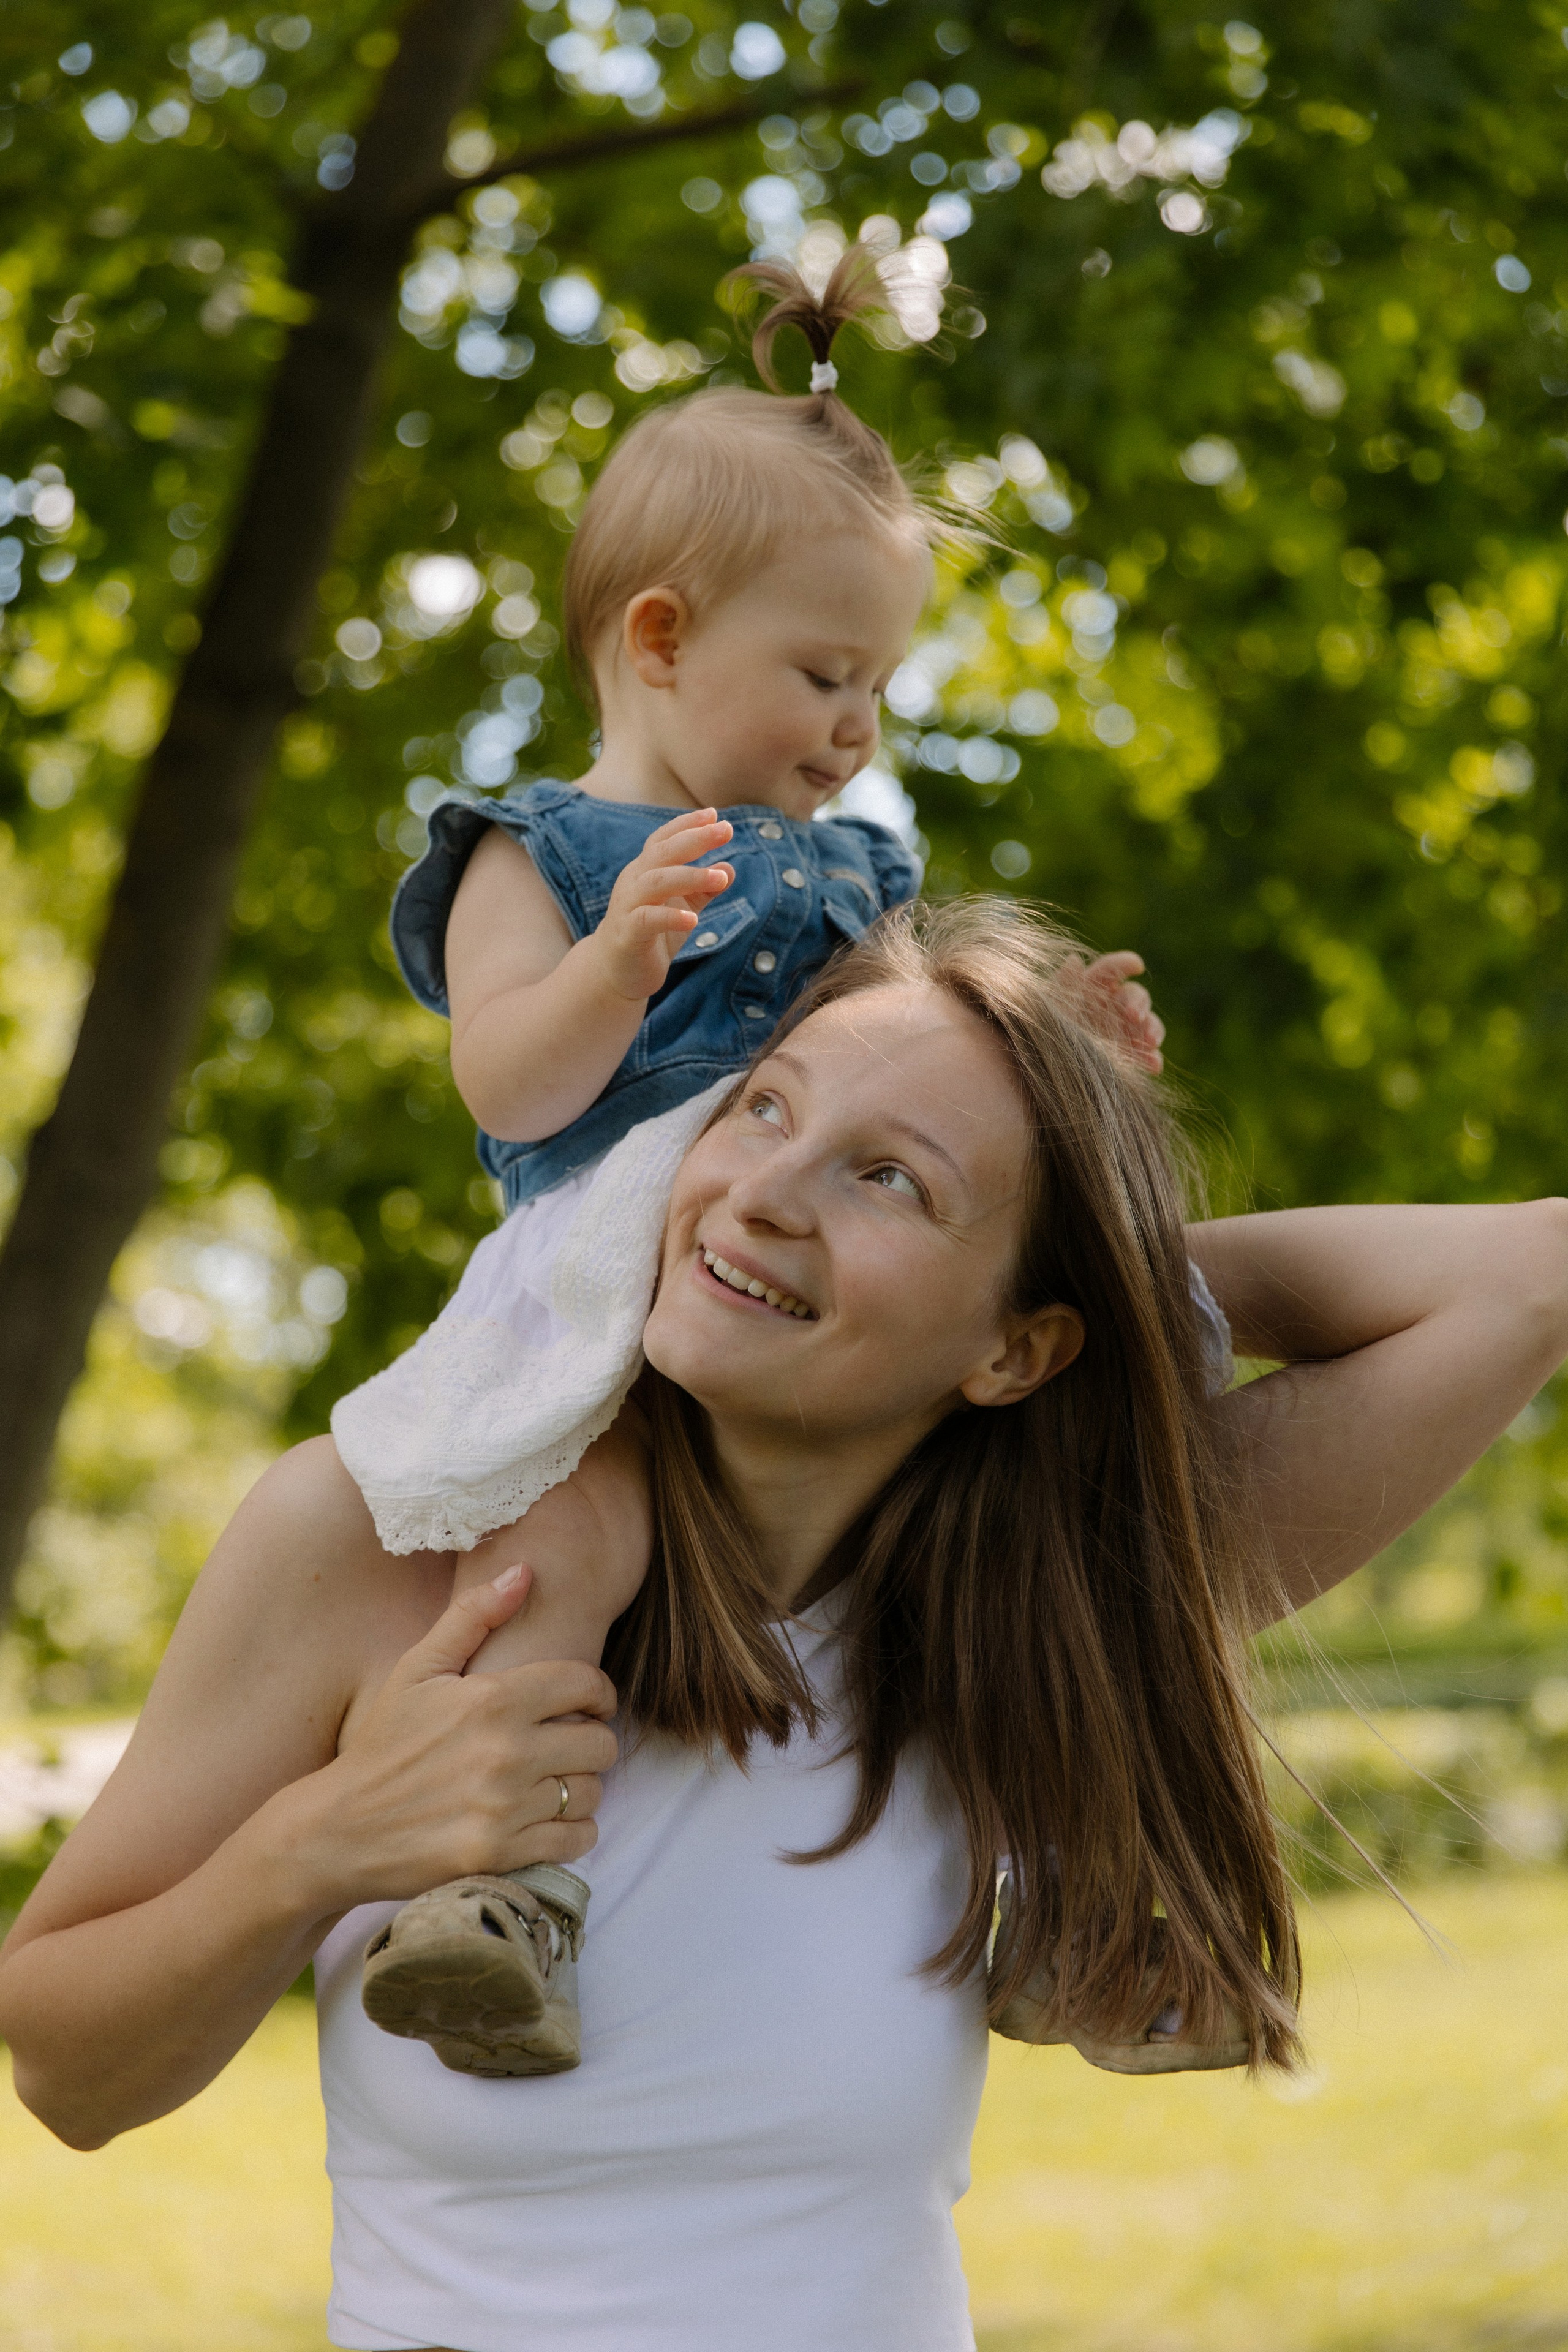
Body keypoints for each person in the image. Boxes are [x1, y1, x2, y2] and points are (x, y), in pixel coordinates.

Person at [2, 901, 1564, 2352]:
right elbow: (68, 2071)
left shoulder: (1035, 1602)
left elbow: (1526, 1275)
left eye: (888, 1180)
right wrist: (324, 1844)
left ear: (1022, 1354)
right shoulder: (384, 1541)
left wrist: (1092, 1279)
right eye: (762, 1108)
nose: (758, 1193)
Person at [323, 245, 1168, 2075]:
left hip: (797, 1283)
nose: (859, 726)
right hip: (605, 1288)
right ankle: (499, 1902)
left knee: (1043, 1489)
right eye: (825, 673)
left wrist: (1059, 1040)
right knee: (557, 1557)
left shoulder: (854, 872)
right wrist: (612, 969)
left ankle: (1074, 1890)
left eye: (879, 683)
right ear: (659, 640)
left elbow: (927, 1057)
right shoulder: (536, 854)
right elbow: (508, 1085)